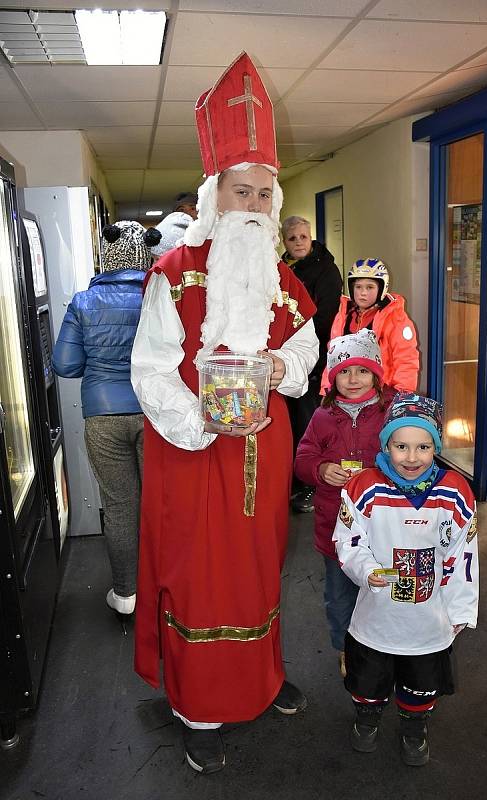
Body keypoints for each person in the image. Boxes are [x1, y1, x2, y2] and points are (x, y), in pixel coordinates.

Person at [130, 52, 319, 774]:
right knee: (200, 577)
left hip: (263, 456)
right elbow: (148, 371)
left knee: (260, 569)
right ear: (215, 198)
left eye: (264, 197)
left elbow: (306, 351)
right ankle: (199, 708)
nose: (254, 209)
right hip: (193, 456)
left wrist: (283, 368)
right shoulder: (174, 278)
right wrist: (203, 421)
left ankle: (259, 679)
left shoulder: (283, 284)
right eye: (241, 194)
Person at [333, 392, 478, 766]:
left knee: (421, 680)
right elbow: (348, 540)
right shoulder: (363, 487)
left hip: (429, 618)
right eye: (401, 446)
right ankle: (367, 716)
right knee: (368, 678)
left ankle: (415, 724)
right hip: (376, 615)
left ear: (436, 446)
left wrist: (461, 608)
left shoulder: (455, 492)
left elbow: (464, 554)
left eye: (423, 446)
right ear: (386, 444)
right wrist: (365, 570)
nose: (411, 457)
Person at [51, 221, 162, 616]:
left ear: (108, 252)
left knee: (119, 506)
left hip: (102, 415)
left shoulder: (83, 302)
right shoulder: (158, 295)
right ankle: (164, 588)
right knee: (159, 502)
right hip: (155, 414)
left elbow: (64, 365)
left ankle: (126, 594)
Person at [294, 330, 395, 676]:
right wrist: (320, 469)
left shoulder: (391, 411)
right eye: (344, 371)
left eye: (362, 371)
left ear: (377, 374)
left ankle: (383, 646)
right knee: (339, 597)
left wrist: (386, 472)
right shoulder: (322, 416)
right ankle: (345, 648)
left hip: (384, 527)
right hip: (335, 531)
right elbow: (303, 457)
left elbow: (410, 453)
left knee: (382, 589)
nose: (353, 380)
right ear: (332, 376)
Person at [281, 215, 343, 513]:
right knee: (290, 421)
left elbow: (325, 316)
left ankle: (312, 485)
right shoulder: (283, 267)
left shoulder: (326, 270)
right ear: (285, 241)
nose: (298, 243)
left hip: (312, 358)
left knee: (309, 421)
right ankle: (295, 478)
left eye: (303, 237)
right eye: (292, 238)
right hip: (286, 358)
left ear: (311, 237)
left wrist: (296, 342)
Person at [323, 257, 419, 393]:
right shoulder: (343, 315)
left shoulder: (395, 318)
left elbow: (406, 360)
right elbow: (332, 355)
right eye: (358, 287)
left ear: (381, 289)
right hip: (345, 392)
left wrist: (402, 395)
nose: (363, 293)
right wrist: (326, 389)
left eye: (370, 287)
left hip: (381, 394)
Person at [151, 193, 199, 259]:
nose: (187, 212)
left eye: (193, 208)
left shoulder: (211, 234)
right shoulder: (171, 235)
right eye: (181, 210)